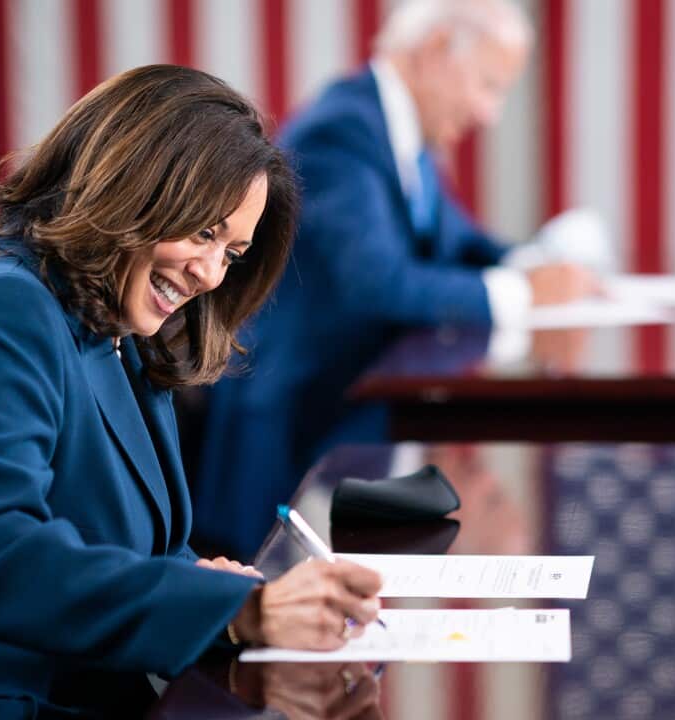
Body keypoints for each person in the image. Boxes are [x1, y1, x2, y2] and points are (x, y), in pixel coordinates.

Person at [0, 65, 382, 720]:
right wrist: (240, 609)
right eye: (205, 233)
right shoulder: (5, 306)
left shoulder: (118, 328)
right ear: (136, 189)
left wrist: (199, 583)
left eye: (232, 254)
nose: (211, 274)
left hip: (57, 683)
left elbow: (114, 544)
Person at [194, 0, 597, 559]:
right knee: (264, 595)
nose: (489, 113)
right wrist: (527, 292)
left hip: (348, 421)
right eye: (487, 84)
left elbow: (462, 245)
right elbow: (378, 283)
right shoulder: (343, 130)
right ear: (436, 51)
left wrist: (544, 269)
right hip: (290, 433)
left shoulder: (400, 133)